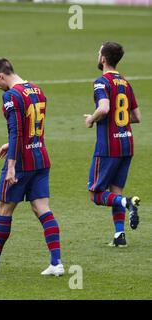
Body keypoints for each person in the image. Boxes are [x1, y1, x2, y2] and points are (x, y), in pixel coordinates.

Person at [0, 58, 64, 276]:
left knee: (3, 208)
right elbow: (34, 127)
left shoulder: (11, 96)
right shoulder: (36, 90)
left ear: (1, 75)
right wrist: (13, 143)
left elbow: (16, 131)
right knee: (41, 209)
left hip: (21, 163)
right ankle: (56, 263)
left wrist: (11, 166)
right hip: (41, 158)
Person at [84, 42, 141, 247]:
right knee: (115, 190)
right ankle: (119, 236)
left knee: (96, 194)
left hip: (109, 147)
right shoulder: (125, 83)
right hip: (127, 144)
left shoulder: (101, 82)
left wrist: (92, 118)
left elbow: (105, 108)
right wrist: (120, 122)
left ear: (103, 59)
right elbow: (136, 117)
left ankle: (127, 203)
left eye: (98, 52)